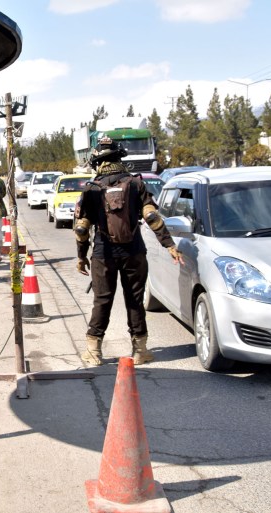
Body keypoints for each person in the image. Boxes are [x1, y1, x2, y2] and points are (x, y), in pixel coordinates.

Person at [74, 136, 183, 366]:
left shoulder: (92, 189)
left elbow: (82, 228)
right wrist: (169, 245)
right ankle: (140, 350)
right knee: (134, 300)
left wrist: (82, 257)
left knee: (102, 301)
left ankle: (94, 352)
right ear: (119, 157)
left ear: (98, 162)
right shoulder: (135, 184)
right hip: (134, 251)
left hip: (103, 254)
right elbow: (152, 217)